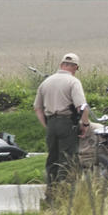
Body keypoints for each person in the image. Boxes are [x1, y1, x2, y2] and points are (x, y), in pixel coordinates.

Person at [33, 52, 90, 202]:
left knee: (52, 160)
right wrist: (85, 124)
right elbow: (81, 106)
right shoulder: (73, 82)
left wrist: (47, 124)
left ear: (61, 65)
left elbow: (37, 108)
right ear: (75, 67)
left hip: (51, 123)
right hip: (67, 123)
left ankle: (50, 195)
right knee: (68, 159)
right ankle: (66, 196)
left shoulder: (46, 82)